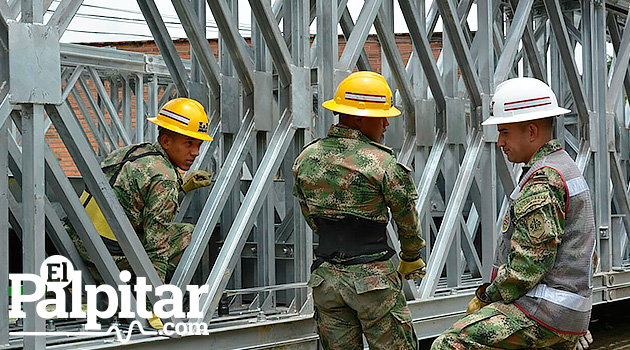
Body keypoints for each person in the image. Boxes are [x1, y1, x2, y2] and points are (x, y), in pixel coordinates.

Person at [431, 77, 596, 350]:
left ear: (531, 131)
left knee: (449, 344)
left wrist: (487, 297)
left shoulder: (544, 181)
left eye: (505, 132)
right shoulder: (563, 167)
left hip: (542, 312)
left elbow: (529, 266)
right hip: (560, 312)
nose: (500, 142)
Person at [292, 71, 426, 350]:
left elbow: (310, 214)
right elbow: (407, 220)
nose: (387, 123)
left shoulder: (306, 157)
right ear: (360, 117)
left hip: (326, 280)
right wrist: (411, 257)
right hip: (373, 281)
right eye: (382, 116)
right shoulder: (382, 163)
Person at [69, 97, 213, 286]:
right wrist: (152, 305)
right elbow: (157, 249)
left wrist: (182, 187)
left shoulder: (129, 153)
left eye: (199, 145)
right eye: (189, 143)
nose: (195, 153)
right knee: (190, 233)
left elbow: (128, 197)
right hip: (110, 262)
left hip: (79, 249)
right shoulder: (164, 178)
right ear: (166, 141)